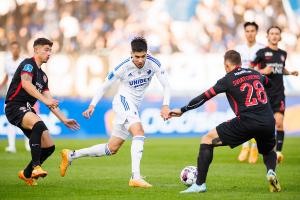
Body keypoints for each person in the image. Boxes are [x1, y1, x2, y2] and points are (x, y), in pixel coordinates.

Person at [60, 37, 171, 188]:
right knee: (138, 131)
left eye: (143, 56)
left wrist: (165, 105)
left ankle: (71, 155)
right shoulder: (123, 67)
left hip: (132, 106)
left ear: (147, 53)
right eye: (136, 57)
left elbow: (167, 86)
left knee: (111, 148)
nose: (140, 60)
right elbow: (104, 86)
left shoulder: (154, 64)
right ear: (131, 54)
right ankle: (135, 177)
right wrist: (92, 105)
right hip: (122, 101)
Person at [169, 50, 280, 193]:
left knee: (207, 139)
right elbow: (269, 84)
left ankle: (199, 184)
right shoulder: (255, 74)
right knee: (268, 150)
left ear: (227, 65)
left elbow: (204, 97)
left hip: (247, 122)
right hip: (268, 120)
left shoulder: (227, 79)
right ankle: (271, 172)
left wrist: (183, 110)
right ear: (240, 63)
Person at [4, 38, 80, 186]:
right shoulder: (28, 64)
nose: (49, 53)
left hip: (27, 109)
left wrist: (64, 119)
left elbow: (50, 101)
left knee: (49, 147)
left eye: (50, 50)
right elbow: (26, 84)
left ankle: (26, 174)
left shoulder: (43, 76)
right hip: (14, 106)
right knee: (38, 125)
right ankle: (36, 167)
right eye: (46, 49)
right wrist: (45, 101)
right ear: (36, 49)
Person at [251, 26, 299, 163]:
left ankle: (278, 153)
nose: (274, 36)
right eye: (271, 33)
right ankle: (257, 148)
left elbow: (280, 68)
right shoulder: (261, 52)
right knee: (264, 126)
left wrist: (289, 72)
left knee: (279, 123)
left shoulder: (283, 53)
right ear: (267, 36)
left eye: (277, 33)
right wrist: (262, 72)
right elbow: (249, 69)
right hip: (263, 95)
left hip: (279, 95)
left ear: (280, 37)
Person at [235, 22, 264, 164]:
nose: (250, 33)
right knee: (243, 118)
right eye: (247, 31)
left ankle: (255, 147)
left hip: (258, 90)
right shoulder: (239, 49)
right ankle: (245, 146)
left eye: (252, 30)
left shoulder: (262, 49)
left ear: (256, 32)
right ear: (244, 32)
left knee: (256, 119)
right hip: (242, 89)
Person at [0, 41, 30, 153]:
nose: (15, 50)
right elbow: (7, 77)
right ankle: (11, 146)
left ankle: (28, 145)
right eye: (13, 48)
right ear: (10, 49)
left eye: (17, 48)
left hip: (22, 96)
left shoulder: (24, 62)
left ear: (20, 49)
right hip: (10, 96)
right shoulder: (7, 62)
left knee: (27, 120)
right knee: (10, 120)